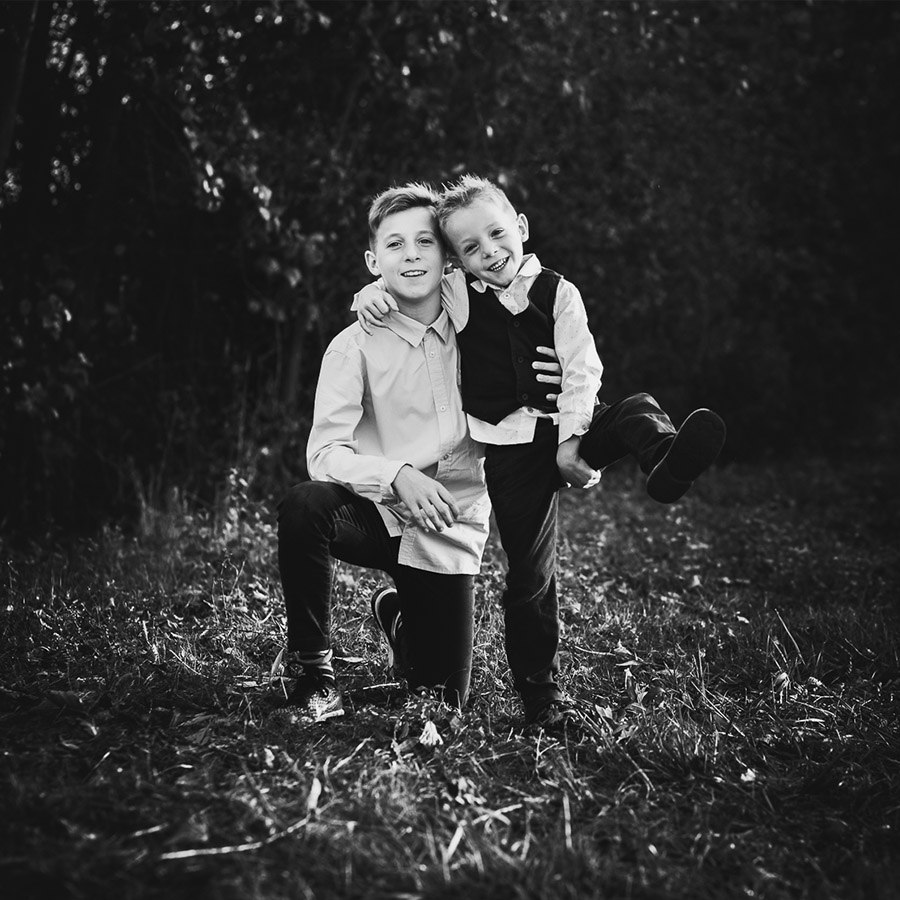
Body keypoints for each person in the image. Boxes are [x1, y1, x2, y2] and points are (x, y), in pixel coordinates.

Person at [355, 174, 726, 732]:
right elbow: (410, 287)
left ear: (521, 228)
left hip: (564, 427)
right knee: (530, 576)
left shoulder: (560, 292)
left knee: (634, 408)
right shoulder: (459, 294)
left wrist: (573, 443)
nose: (489, 253)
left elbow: (582, 369)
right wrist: (370, 292)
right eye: (470, 249)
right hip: (509, 451)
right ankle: (541, 699)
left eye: (497, 236)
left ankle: (666, 462)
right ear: (456, 260)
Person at [276, 182, 563, 722]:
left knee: (445, 700)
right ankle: (314, 676)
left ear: (447, 256)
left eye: (425, 242)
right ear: (372, 260)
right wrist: (397, 474)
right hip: (380, 515)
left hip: (449, 526)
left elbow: (534, 297)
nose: (411, 255)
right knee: (303, 506)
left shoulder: (481, 322)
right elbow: (326, 453)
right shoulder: (353, 344)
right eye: (394, 245)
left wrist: (562, 388)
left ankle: (401, 619)